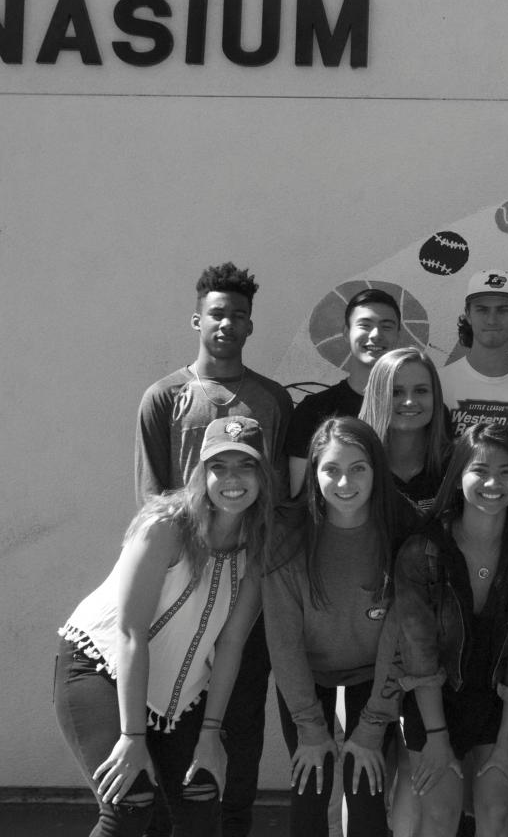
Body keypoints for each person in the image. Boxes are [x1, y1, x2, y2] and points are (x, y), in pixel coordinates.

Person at [133, 262, 291, 837]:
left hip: (245, 591)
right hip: (177, 596)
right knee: (164, 724)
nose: (227, 323)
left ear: (251, 326)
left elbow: (280, 498)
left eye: (239, 315)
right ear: (197, 318)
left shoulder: (273, 401)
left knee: (239, 728)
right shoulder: (163, 397)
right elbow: (152, 501)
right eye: (217, 313)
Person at [57, 417, 270, 837]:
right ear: (200, 473)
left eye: (245, 466)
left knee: (200, 799)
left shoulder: (261, 543)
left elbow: (231, 644)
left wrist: (210, 735)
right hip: (99, 667)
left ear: (263, 476)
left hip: (180, 694)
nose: (232, 479)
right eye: (219, 466)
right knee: (131, 805)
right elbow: (129, 633)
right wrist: (132, 736)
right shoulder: (165, 526)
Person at [386, 422, 508, 837]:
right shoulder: (421, 549)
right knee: (439, 817)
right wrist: (438, 739)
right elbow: (418, 652)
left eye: (507, 471)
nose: (493, 483)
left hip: (501, 703)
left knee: (496, 816)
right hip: (434, 699)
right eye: (480, 470)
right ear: (458, 478)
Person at [263, 417, 414, 837]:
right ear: (313, 472)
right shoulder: (287, 535)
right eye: (331, 469)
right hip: (308, 674)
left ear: (377, 471)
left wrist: (372, 725)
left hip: (374, 671)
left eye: (358, 468)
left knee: (365, 787)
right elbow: (284, 641)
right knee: (311, 785)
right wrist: (310, 728)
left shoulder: (401, 530)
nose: (344, 481)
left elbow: (399, 636)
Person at [287, 287, 402, 496]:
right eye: (365, 325)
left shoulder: (415, 410)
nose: (376, 335)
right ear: (346, 333)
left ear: (398, 335)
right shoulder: (313, 411)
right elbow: (299, 500)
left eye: (387, 326)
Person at [360, 347, 452, 516]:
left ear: (435, 397)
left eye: (421, 391)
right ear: (376, 399)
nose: (409, 401)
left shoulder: (454, 466)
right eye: (396, 392)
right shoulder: (356, 465)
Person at [442, 268, 508, 434]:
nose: (492, 320)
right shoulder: (438, 383)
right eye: (482, 309)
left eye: (502, 310)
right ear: (468, 314)